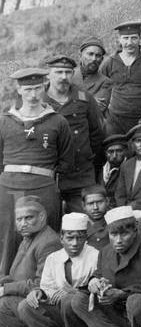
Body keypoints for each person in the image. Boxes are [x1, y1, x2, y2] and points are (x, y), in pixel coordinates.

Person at [0, 67, 75, 257]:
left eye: (37, 88)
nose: (33, 95)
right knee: (8, 235)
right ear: (19, 90)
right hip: (9, 187)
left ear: (44, 87)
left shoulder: (58, 121)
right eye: (27, 90)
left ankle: (42, 282)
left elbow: (66, 161)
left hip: (43, 187)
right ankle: (4, 282)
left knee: (44, 234)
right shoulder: (4, 121)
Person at [15, 212, 98, 327]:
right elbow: (47, 285)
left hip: (86, 312)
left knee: (69, 301)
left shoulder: (95, 256)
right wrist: (39, 292)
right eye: (70, 238)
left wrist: (70, 294)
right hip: (61, 307)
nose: (74, 243)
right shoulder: (53, 258)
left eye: (79, 238)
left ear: (85, 238)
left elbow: (95, 285)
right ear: (61, 238)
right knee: (25, 306)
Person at [44, 55, 104, 213]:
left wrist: (91, 161)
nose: (64, 77)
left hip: (81, 175)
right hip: (49, 176)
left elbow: (97, 134)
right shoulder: (38, 100)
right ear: (48, 73)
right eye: (58, 72)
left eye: (68, 72)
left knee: (83, 221)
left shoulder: (84, 98)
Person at [0, 197, 62, 327]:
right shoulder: (28, 238)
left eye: (28, 218)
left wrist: (4, 289)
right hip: (27, 296)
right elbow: (17, 276)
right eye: (19, 219)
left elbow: (41, 284)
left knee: (3, 303)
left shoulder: (48, 242)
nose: (23, 223)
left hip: (44, 299)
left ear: (42, 217)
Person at [99, 20, 141, 135]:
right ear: (119, 40)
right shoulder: (110, 62)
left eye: (133, 38)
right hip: (116, 119)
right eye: (125, 38)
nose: (129, 43)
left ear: (140, 38)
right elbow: (98, 84)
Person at [74, 37, 113, 116]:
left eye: (98, 55)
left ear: (102, 59)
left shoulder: (105, 82)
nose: (94, 59)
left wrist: (70, 99)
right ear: (80, 56)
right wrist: (91, 101)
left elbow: (98, 110)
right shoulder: (68, 75)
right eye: (90, 54)